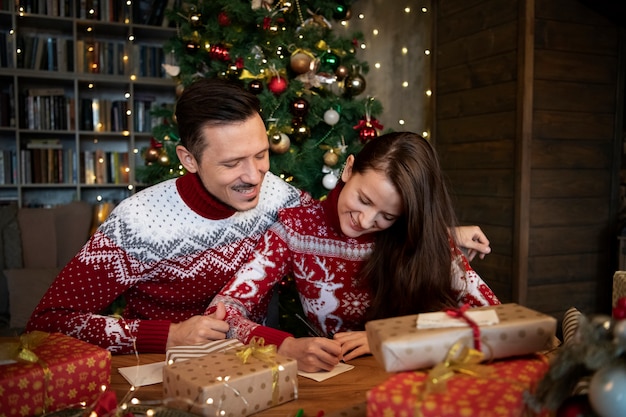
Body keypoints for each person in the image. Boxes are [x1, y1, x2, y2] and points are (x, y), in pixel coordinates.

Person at [26, 78, 491, 354]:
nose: (255, 177)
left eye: (262, 154)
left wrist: (435, 230)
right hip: (158, 364)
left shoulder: (280, 201)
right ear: (189, 159)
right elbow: (49, 322)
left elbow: (345, 222)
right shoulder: (138, 222)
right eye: (232, 164)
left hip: (248, 361)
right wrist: (163, 335)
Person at [207, 132, 500, 372]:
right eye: (363, 199)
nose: (366, 220)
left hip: (414, 380)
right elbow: (223, 312)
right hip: (331, 380)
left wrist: (394, 337)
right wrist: (284, 345)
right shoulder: (294, 229)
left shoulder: (423, 239)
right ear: (348, 169)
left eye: (387, 216)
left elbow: (497, 319)